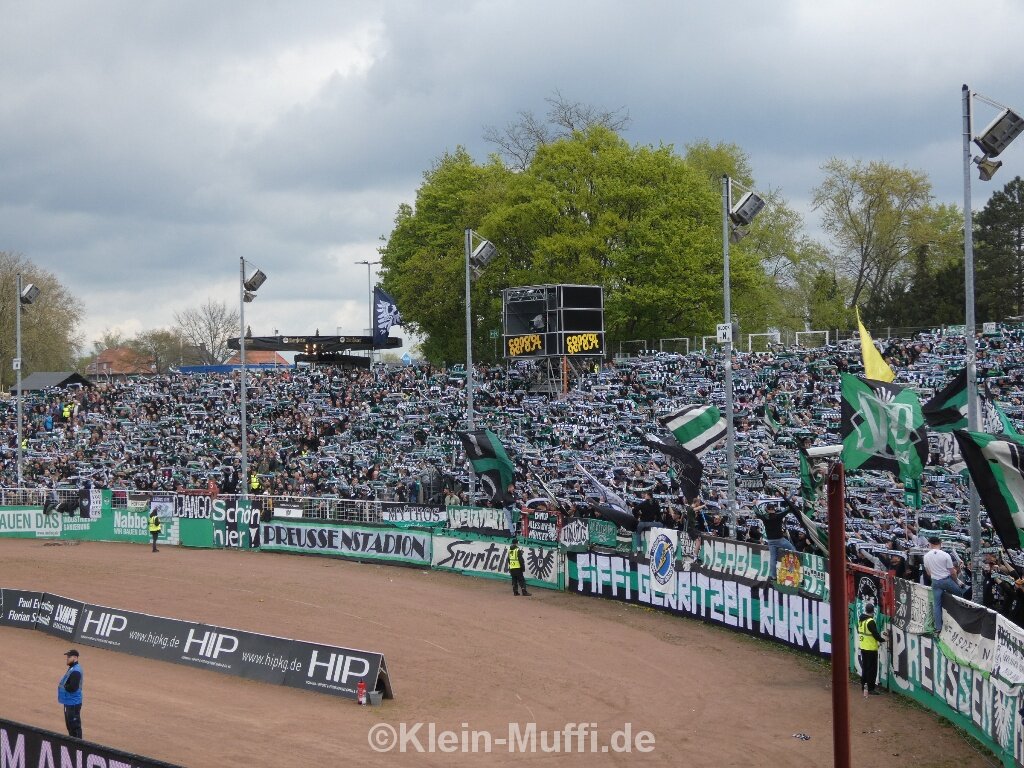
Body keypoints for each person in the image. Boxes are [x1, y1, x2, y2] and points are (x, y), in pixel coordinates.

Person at [923, 536, 964, 633]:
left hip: (935, 581)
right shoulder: (945, 555)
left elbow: (928, 573)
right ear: (940, 543)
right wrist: (957, 582)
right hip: (946, 580)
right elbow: (952, 572)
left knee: (937, 605)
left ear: (930, 544)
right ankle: (960, 618)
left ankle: (938, 628)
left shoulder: (926, 556)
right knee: (960, 594)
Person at [761, 502, 797, 581]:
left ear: (767, 509)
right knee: (793, 550)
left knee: (773, 558)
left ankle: (773, 576)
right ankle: (792, 569)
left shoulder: (764, 517)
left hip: (770, 541)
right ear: (775, 509)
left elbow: (757, 512)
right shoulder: (778, 516)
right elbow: (788, 509)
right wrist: (791, 502)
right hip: (780, 540)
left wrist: (753, 505)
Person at [857, 603, 883, 696]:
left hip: (863, 647)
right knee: (872, 670)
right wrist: (883, 640)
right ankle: (871, 688)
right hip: (871, 649)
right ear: (873, 611)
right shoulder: (870, 621)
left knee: (865, 668)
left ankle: (864, 686)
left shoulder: (861, 620)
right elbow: (876, 635)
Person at [58, 649, 83, 738]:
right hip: (69, 701)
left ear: (75, 658)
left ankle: (78, 747)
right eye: (67, 657)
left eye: (69, 657)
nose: (67, 659)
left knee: (74, 727)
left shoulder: (76, 671)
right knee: (70, 726)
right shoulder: (72, 668)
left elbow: (73, 687)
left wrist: (65, 686)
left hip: (73, 703)